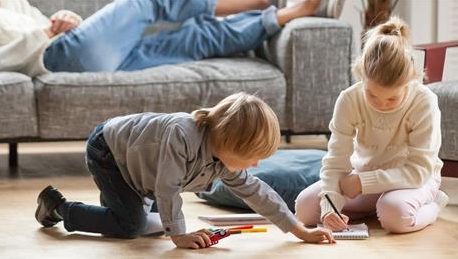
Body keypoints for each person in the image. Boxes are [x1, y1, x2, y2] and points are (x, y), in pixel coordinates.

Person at [34, 93, 335, 249]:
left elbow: (258, 193)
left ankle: (117, 208)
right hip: (110, 152)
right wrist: (179, 236)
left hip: (140, 169)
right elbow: (167, 188)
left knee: (145, 223)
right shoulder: (183, 134)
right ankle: (58, 207)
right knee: (131, 227)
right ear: (230, 143)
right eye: (251, 157)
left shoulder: (224, 160)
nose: (255, 165)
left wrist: (299, 230)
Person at [294, 17, 450, 234]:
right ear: (361, 75)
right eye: (372, 95)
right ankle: (374, 208)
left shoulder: (424, 101)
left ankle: (432, 205)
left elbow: (418, 171)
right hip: (363, 177)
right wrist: (330, 208)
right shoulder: (349, 99)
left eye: (392, 99)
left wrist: (362, 182)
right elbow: (336, 162)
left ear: (411, 80)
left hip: (413, 181)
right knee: (305, 209)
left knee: (395, 216)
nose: (381, 105)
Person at [0, 0, 337, 76]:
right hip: (58, 57)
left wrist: (64, 17)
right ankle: (247, 1)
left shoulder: (8, 0)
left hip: (81, 49)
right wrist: (46, 32)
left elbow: (44, 20)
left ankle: (281, 14)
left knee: (193, 40)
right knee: (147, 1)